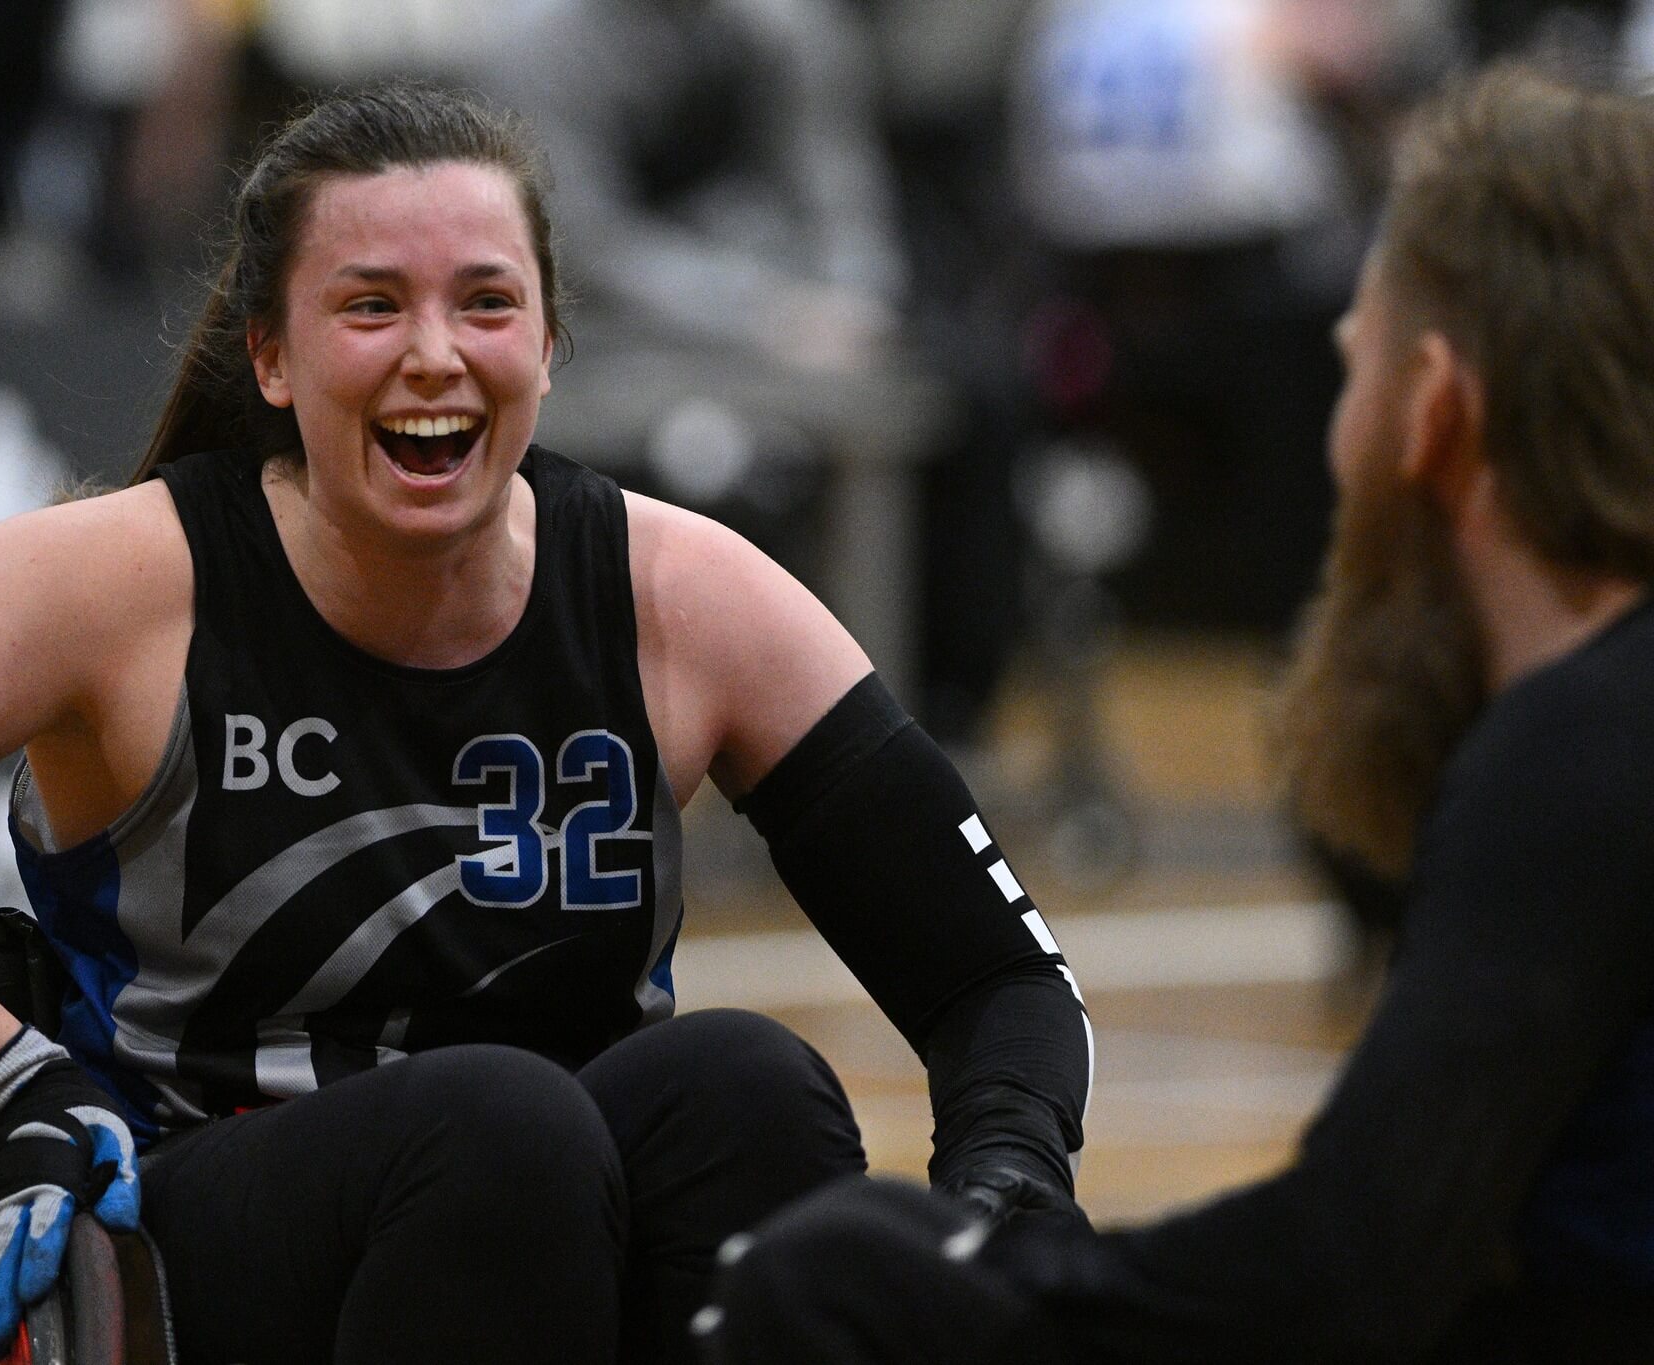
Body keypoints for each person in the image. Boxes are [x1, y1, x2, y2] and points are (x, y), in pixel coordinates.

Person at [0, 83, 1090, 1364]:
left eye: (486, 303)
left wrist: (1006, 1189)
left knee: (747, 1088)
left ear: (551, 345)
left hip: (546, 1219)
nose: (434, 353)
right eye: (372, 305)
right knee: (504, 1127)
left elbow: (999, 980)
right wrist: (18, 1081)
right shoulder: (126, 580)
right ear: (274, 356)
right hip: (194, 1215)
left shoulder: (678, 592)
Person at [699, 62, 1654, 1363]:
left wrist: (964, 1271)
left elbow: (1347, 1267)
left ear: (1436, 409)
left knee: (837, 1280)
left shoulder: (1583, 744)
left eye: (1353, 372)